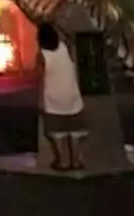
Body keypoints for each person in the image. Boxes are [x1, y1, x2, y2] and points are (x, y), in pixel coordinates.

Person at [36, 22, 87, 171]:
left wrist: (39, 100)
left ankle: (62, 161)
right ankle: (76, 160)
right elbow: (70, 34)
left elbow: (39, 78)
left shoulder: (41, 56)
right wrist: (57, 25)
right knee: (75, 129)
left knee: (57, 132)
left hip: (53, 97)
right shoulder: (66, 49)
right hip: (71, 94)